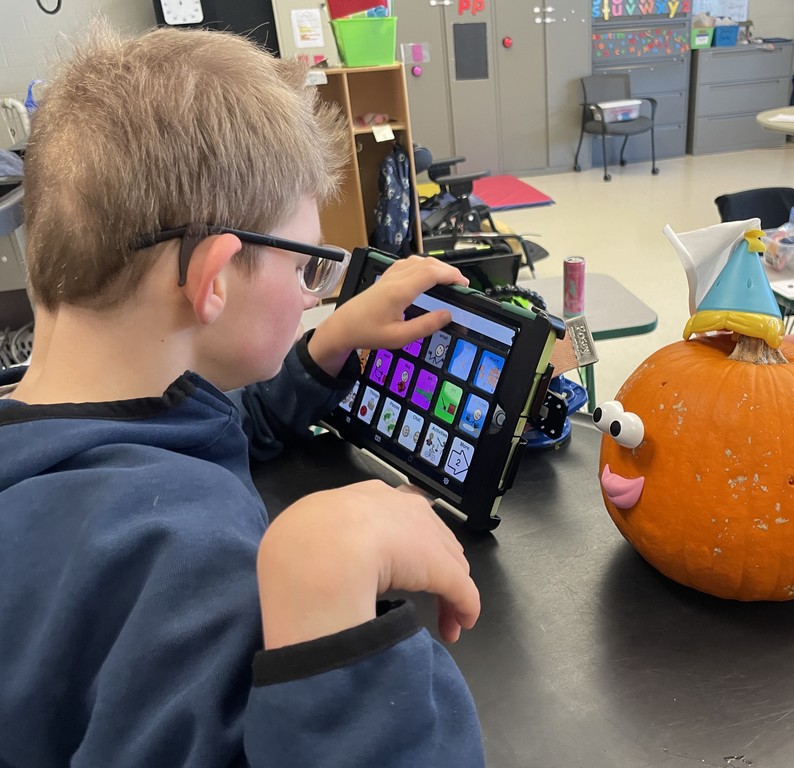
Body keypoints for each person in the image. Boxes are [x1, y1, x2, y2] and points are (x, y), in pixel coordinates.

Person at [0, 25, 485, 767]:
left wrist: (330, 345)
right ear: (215, 280)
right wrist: (322, 575)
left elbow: (208, 422)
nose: (312, 298)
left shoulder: (55, 433)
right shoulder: (184, 576)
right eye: (307, 272)